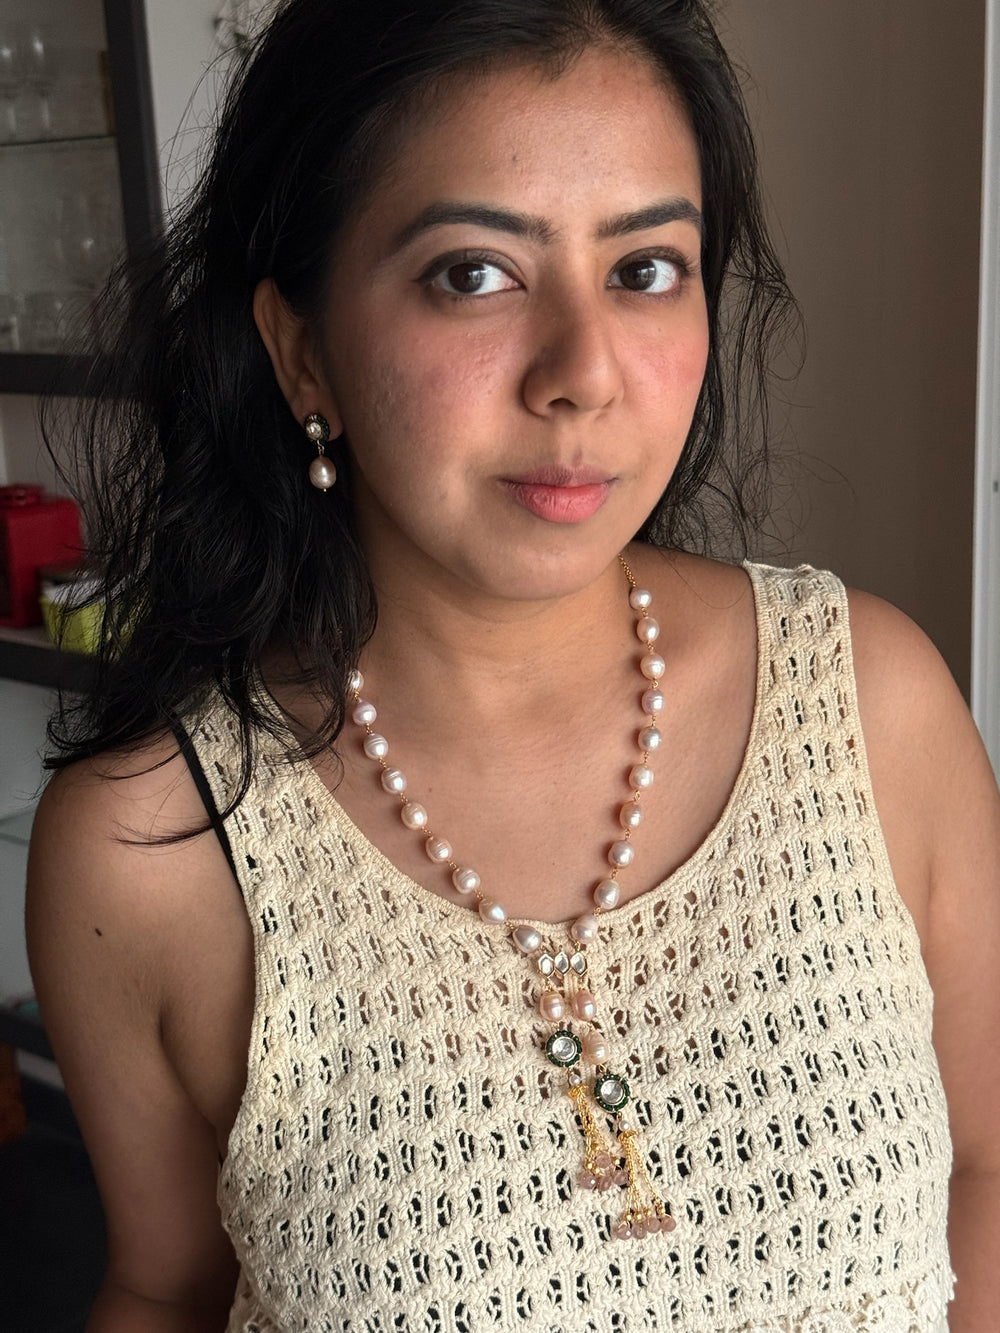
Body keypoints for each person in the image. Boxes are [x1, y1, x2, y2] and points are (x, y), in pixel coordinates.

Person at [25, 0, 1000, 1329]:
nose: (583, 372)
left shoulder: (870, 702)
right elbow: (167, 1286)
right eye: (473, 273)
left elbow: (986, 1164)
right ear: (302, 349)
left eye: (645, 267)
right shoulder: (154, 848)